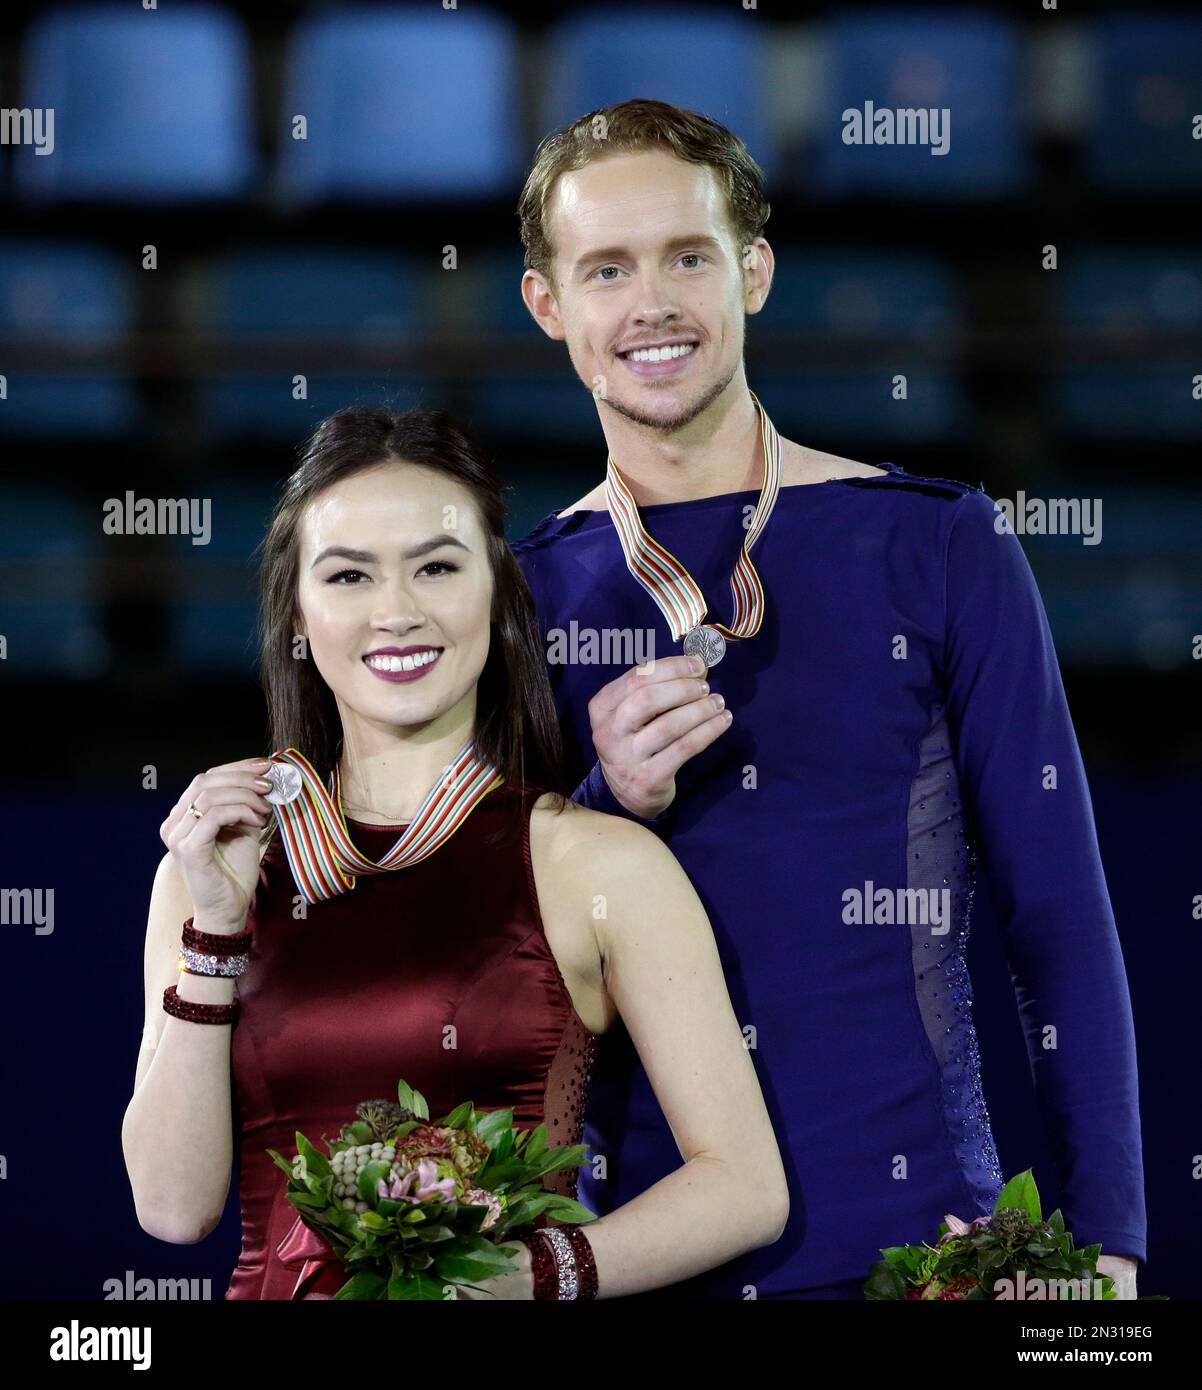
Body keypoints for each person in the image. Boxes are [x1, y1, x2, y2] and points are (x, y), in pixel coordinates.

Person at [510, 98, 1145, 1300]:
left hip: (922, 1253)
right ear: (548, 305)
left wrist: (1104, 1242)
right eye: (605, 268)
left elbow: (1055, 915)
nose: (650, 303)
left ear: (751, 272)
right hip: (641, 1258)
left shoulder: (940, 542)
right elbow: (483, 976)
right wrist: (601, 808)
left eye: (686, 256)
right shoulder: (515, 595)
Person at [120, 404, 789, 1300]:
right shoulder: (216, 867)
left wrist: (532, 1274)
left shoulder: (593, 863)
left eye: (435, 567)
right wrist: (214, 932)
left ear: (498, 598)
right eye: (350, 576)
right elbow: (171, 1209)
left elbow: (745, 1187)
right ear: (297, 617)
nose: (396, 612)